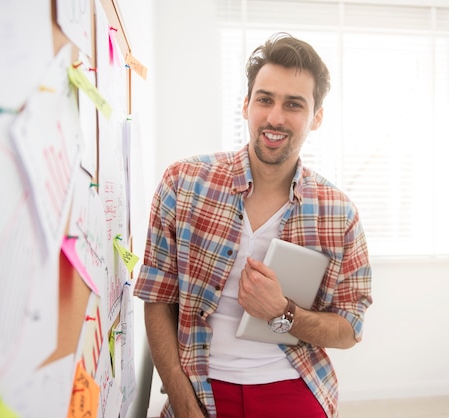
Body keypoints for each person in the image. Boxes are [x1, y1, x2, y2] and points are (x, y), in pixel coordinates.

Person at [134, 32, 372, 418]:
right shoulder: (183, 183)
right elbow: (157, 298)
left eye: (294, 104)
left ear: (317, 117)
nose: (275, 117)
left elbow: (349, 329)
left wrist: (283, 312)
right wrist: (183, 403)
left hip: (294, 385)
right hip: (200, 385)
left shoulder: (339, 213)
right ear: (246, 105)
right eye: (265, 99)